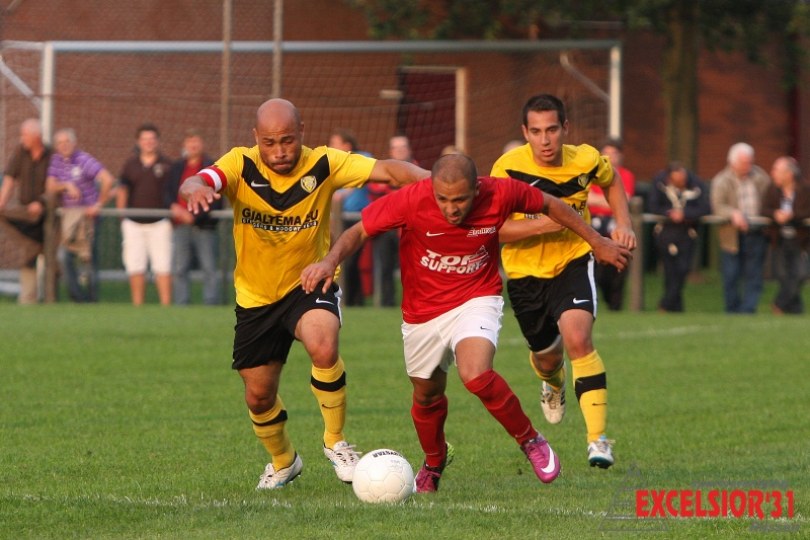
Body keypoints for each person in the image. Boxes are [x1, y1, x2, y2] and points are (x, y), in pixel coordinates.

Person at [301, 154, 631, 492]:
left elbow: (550, 204)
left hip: (477, 296)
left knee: (476, 374)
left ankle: (530, 440)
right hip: (422, 311)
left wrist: (597, 240)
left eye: (460, 199)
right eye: (443, 199)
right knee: (426, 395)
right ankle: (434, 460)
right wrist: (329, 261)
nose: (451, 208)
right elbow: (359, 231)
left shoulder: (499, 193)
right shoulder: (412, 198)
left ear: (476, 188)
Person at [181, 98, 430, 490]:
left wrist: (438, 179)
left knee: (323, 343)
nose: (279, 152)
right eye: (269, 142)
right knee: (259, 397)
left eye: (287, 141)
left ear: (302, 132)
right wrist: (193, 186)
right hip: (256, 297)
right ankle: (284, 462)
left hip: (310, 282)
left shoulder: (325, 162)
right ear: (255, 139)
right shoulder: (240, 164)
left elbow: (388, 169)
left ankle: (335, 441)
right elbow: (201, 179)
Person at [491, 93, 637, 469]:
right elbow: (496, 230)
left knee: (578, 338)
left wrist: (623, 223)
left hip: (574, 261)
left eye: (552, 129)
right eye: (536, 131)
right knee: (546, 355)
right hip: (524, 275)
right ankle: (552, 383)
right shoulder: (507, 168)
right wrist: (550, 220)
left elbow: (613, 180)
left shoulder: (586, 158)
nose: (545, 140)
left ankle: (598, 440)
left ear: (565, 129)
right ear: (525, 132)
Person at [45, 128, 116, 303]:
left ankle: (92, 300)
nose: (64, 146)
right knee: (63, 256)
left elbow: (108, 179)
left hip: (87, 218)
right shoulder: (56, 161)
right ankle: (78, 298)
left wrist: (98, 204)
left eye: (67, 142)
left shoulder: (83, 160)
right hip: (69, 219)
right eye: (60, 143)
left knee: (88, 259)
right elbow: (50, 186)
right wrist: (66, 186)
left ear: (74, 143)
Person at [116, 123, 174, 306]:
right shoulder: (130, 164)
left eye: (152, 139)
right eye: (144, 139)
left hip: (160, 223)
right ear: (138, 142)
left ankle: (166, 306)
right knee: (135, 266)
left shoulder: (167, 165)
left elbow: (174, 191)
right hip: (134, 223)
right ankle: (138, 306)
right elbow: (122, 189)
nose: (148, 143)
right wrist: (122, 215)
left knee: (162, 266)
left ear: (157, 142)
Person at [710, 142, 771, 314]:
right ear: (733, 162)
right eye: (745, 163)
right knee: (731, 273)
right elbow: (718, 206)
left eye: (750, 162)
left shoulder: (760, 177)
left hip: (757, 232)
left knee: (754, 273)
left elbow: (769, 199)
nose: (748, 166)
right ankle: (732, 308)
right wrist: (733, 214)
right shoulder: (721, 180)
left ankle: (748, 309)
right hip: (732, 235)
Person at [0, 118, 53, 304]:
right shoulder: (20, 153)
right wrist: (1, 202)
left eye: (25, 135)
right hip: (26, 213)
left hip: (48, 214)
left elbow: (56, 186)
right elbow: (9, 180)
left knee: (52, 258)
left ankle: (50, 299)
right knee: (28, 254)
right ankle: (28, 299)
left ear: (36, 136)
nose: (22, 139)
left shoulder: (51, 156)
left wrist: (41, 202)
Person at [647, 162, 711, 312]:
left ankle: (666, 304)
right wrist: (670, 213)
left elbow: (705, 207)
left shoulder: (696, 184)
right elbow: (653, 206)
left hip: (687, 233)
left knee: (683, 269)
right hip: (666, 232)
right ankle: (675, 307)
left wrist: (685, 214)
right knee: (670, 271)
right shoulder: (659, 183)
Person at [168, 129, 220, 305]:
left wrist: (195, 217)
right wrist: (174, 207)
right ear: (185, 145)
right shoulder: (176, 168)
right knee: (180, 267)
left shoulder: (212, 167)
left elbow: (217, 198)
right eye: (190, 142)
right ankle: (182, 303)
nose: (193, 145)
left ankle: (211, 302)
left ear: (202, 144)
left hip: (203, 226)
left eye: (196, 141)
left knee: (208, 267)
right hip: (180, 225)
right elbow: (168, 193)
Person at [366, 134, 415, 306]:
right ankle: (387, 303)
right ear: (391, 151)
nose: (400, 151)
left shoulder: (418, 172)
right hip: (386, 228)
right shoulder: (383, 171)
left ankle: (413, 302)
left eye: (403, 147)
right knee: (385, 268)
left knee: (412, 269)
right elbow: (374, 192)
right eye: (397, 148)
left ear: (409, 150)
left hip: (412, 229)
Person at [588, 138, 636, 311]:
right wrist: (609, 201)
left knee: (616, 267)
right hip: (595, 224)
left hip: (614, 226)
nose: (610, 157)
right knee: (594, 267)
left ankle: (615, 303)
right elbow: (586, 198)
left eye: (614, 154)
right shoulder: (591, 174)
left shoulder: (625, 175)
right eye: (606, 153)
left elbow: (625, 199)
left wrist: (602, 201)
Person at [328, 128, 371, 306]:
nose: (331, 147)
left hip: (358, 218)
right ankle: (348, 298)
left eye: (334, 144)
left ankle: (356, 299)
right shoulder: (333, 164)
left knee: (354, 261)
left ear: (347, 145)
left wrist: (345, 193)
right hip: (340, 218)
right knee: (344, 260)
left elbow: (364, 175)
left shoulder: (363, 157)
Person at [762, 156, 810, 314]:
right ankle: (795, 310)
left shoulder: (805, 189)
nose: (772, 174)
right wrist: (776, 214)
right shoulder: (772, 189)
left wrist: (792, 215)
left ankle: (779, 304)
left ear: (788, 174)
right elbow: (764, 209)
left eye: (776, 170)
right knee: (782, 275)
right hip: (780, 239)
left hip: (801, 240)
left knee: (801, 274)